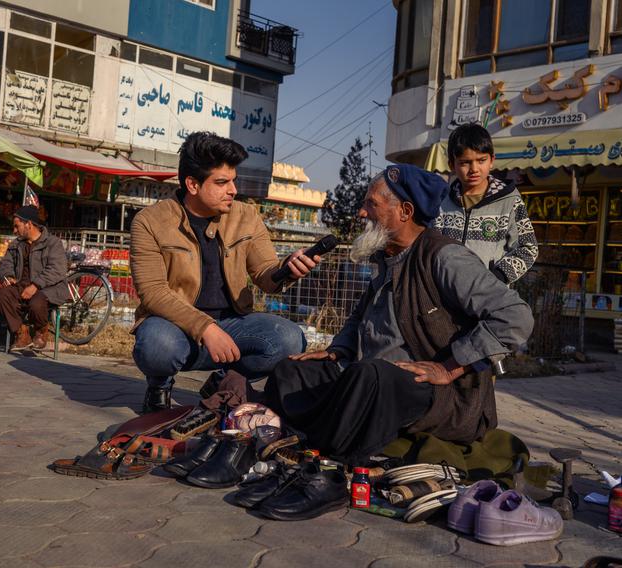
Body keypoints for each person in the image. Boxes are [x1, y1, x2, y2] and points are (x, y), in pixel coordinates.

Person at [265, 164, 534, 464]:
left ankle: (320, 449)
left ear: (405, 211)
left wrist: (449, 367)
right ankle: (307, 436)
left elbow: (516, 316)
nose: (361, 213)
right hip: (371, 381)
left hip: (432, 393)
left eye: (371, 204)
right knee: (290, 372)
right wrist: (337, 350)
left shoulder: (445, 257)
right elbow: (359, 317)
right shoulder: (388, 258)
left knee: (368, 376)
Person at [130, 131, 321, 414]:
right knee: (156, 345)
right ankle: (159, 383)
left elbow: (265, 273)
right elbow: (153, 292)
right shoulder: (150, 221)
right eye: (221, 182)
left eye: (233, 180)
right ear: (192, 184)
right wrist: (205, 327)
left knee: (290, 339)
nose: (233, 189)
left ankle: (224, 380)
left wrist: (287, 270)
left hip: (233, 324)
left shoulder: (247, 216)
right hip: (175, 325)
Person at [434, 123, 538, 284]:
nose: (474, 169)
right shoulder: (442, 202)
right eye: (464, 162)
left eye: (481, 160)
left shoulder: (510, 201)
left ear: (492, 160)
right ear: (451, 165)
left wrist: (496, 278)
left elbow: (528, 248)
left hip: (489, 300)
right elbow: (431, 247)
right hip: (445, 297)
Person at [0, 205, 69, 351]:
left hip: (48, 288)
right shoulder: (16, 245)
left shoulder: (53, 243)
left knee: (36, 302)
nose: (14, 230)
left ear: (29, 224)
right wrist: (8, 276)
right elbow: (6, 264)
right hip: (21, 286)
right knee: (2, 295)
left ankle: (41, 330)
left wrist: (35, 286)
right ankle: (21, 333)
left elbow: (57, 269)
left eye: (17, 226)